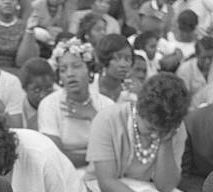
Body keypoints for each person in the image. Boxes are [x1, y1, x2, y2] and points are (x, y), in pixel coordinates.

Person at [38, 37, 114, 168]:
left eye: (76, 66)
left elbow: (117, 147)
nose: (70, 74)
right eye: (63, 69)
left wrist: (94, 116)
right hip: (64, 171)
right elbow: (55, 155)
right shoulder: (49, 105)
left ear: (90, 70)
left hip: (102, 171)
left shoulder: (106, 105)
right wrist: (96, 157)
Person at [0, 0, 40, 71]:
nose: (7, 2)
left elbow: (23, 62)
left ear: (18, 3)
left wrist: (29, 30)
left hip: (14, 72)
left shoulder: (25, 27)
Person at [92, 33, 135, 103]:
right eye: (117, 58)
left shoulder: (131, 93)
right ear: (104, 58)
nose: (123, 65)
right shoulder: (90, 86)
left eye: (127, 59)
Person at [19, 57, 55, 130]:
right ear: (24, 88)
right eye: (37, 90)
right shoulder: (17, 107)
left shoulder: (61, 99)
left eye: (49, 88)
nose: (43, 95)